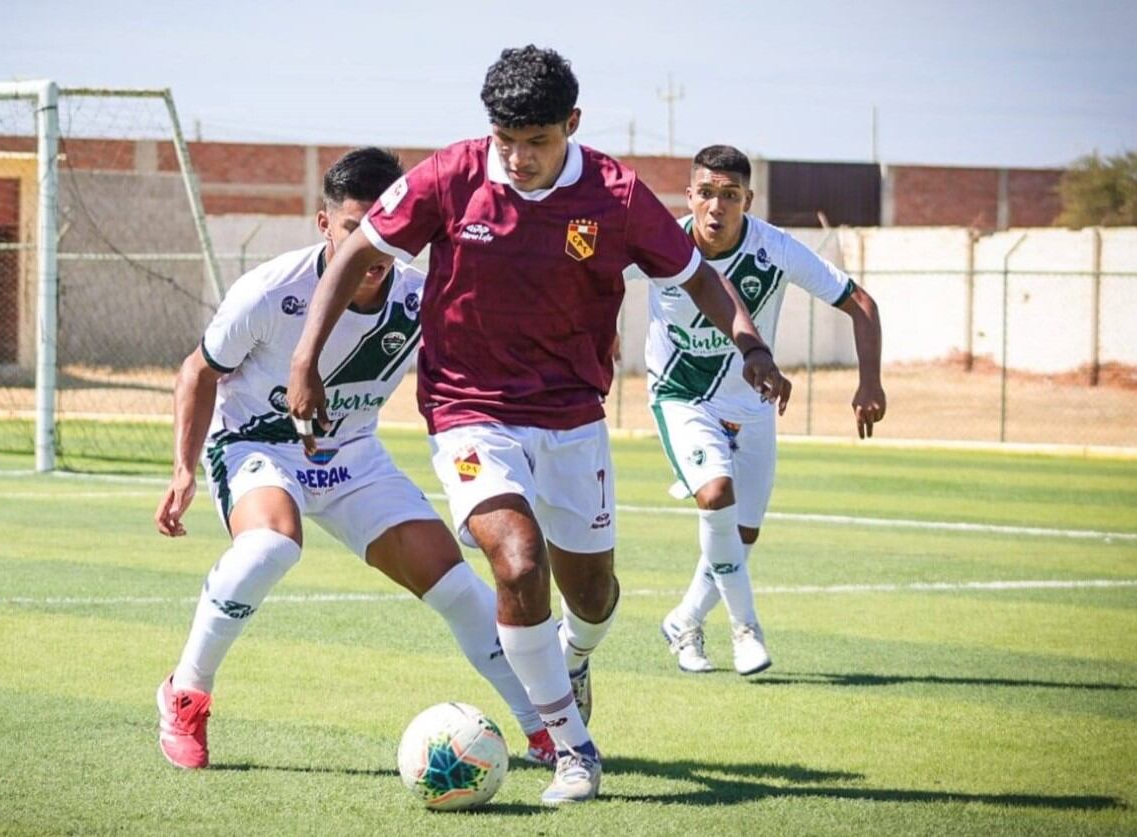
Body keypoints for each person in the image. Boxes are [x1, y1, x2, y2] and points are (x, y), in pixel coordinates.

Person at [287, 49, 789, 804]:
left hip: (572, 418)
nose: (518, 159)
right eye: (505, 139)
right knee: (518, 563)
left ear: (572, 127)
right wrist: (306, 358)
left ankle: (573, 658)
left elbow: (693, 274)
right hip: (468, 410)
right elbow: (358, 247)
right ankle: (571, 746)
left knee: (592, 593)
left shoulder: (615, 194)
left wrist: (749, 342)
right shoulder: (451, 176)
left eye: (539, 142)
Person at [152, 147, 558, 771]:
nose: (370, 251)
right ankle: (185, 692)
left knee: (458, 587)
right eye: (352, 230)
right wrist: (184, 468)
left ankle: (543, 730)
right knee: (270, 546)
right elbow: (198, 371)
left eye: (383, 230)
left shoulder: (425, 299)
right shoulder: (269, 291)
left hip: (354, 456)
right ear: (325, 225)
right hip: (259, 446)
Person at [649, 144, 886, 676]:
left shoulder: (774, 249)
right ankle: (746, 629)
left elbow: (861, 303)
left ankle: (684, 620)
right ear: (689, 196)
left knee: (744, 534)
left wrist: (869, 382)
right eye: (706, 193)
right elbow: (592, 284)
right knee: (716, 494)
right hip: (680, 395)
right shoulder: (660, 244)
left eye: (729, 196)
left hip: (753, 405)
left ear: (747, 200)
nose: (716, 206)